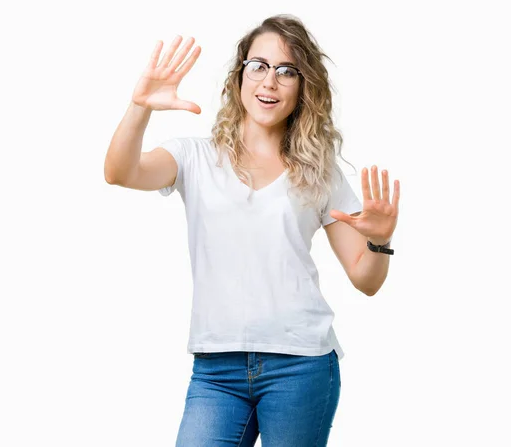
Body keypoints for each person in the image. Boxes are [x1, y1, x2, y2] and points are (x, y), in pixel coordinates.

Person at [104, 14, 400, 447]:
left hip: (301, 366)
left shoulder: (320, 172)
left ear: (303, 88)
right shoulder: (194, 157)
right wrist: (140, 107)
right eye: (258, 65)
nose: (270, 81)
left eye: (287, 71)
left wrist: (381, 239)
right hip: (216, 370)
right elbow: (120, 172)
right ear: (239, 74)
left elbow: (365, 278)